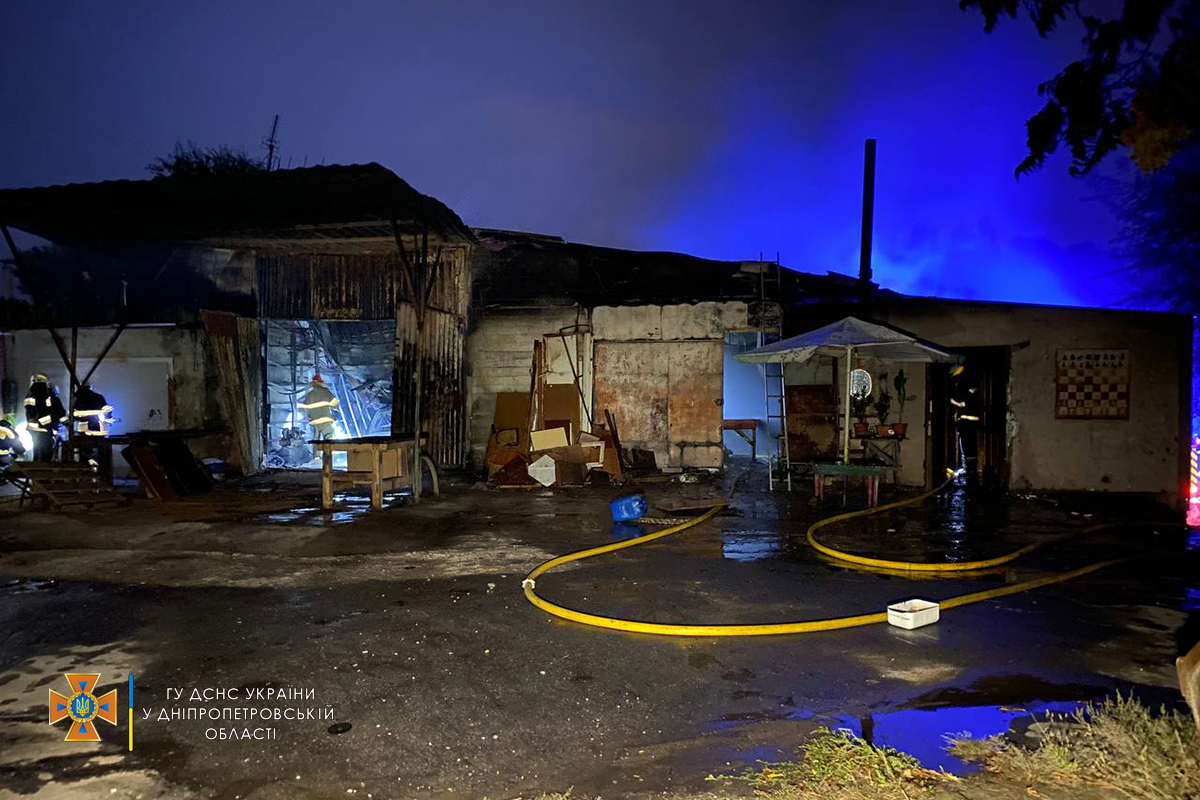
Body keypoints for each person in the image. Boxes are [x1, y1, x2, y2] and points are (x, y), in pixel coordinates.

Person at [24, 373, 66, 461]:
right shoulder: (48, 396)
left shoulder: (29, 396)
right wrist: (65, 423)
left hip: (33, 430)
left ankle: (36, 467)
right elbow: (59, 413)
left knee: (36, 452)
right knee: (46, 454)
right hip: (46, 429)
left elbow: (30, 413)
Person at [949, 364, 981, 482]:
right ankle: (968, 468)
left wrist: (960, 405)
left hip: (969, 422)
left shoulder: (968, 389)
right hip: (965, 422)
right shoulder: (962, 388)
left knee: (969, 445)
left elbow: (962, 402)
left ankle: (970, 469)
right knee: (966, 445)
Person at [298, 373, 339, 440]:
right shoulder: (325, 391)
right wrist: (336, 411)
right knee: (328, 438)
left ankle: (315, 446)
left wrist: (308, 417)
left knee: (316, 439)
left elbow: (305, 408)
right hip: (325, 420)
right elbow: (335, 403)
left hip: (315, 421)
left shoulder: (309, 394)